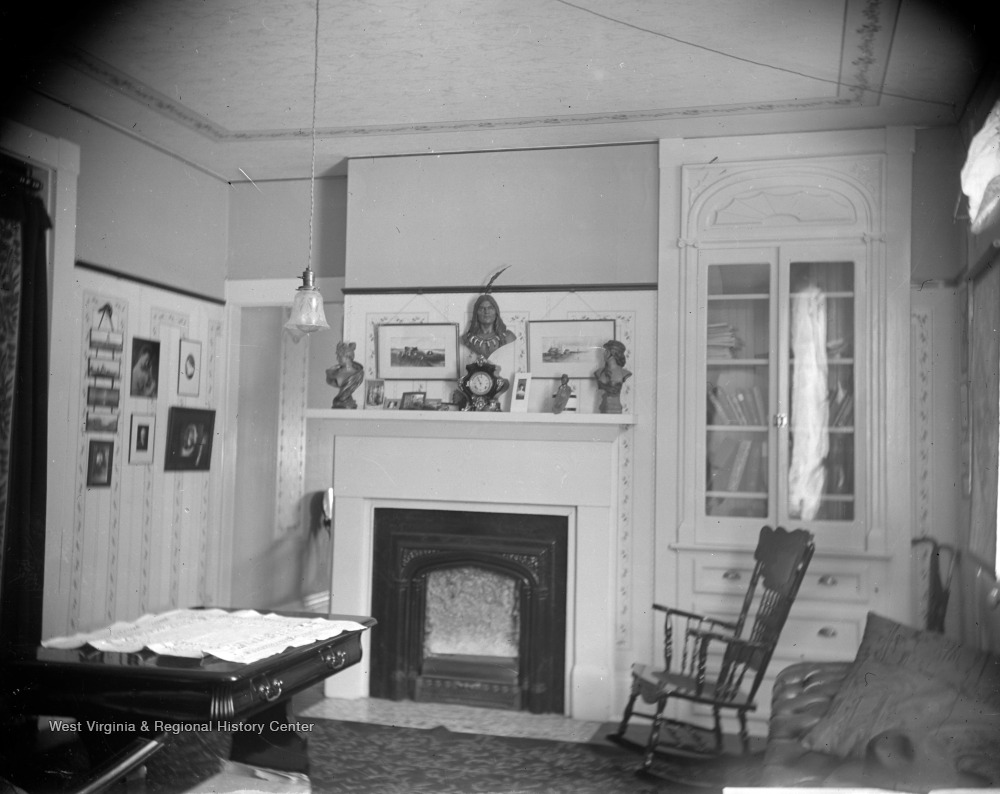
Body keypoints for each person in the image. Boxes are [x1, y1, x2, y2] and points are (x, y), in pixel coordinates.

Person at [461, 294, 515, 360]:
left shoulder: (508, 337)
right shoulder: (466, 339)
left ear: (496, 312)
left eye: (490, 308)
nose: (486, 312)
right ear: (476, 313)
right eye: (481, 308)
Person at [594, 340, 632, 414]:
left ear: (613, 354)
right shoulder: (599, 372)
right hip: (603, 407)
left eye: (606, 351)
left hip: (616, 408)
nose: (604, 354)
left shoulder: (624, 373)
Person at [326, 341, 365, 409]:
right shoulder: (334, 372)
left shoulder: (358, 374)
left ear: (347, 357)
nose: (337, 359)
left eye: (339, 356)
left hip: (347, 404)